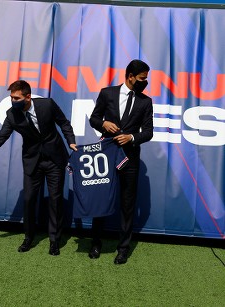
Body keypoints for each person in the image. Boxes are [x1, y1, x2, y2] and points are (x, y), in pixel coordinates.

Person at [0, 80, 77, 256]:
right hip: (32, 161)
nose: (12, 101)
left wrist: (71, 141)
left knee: (55, 200)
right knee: (29, 200)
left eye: (16, 98)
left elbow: (64, 123)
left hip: (55, 158)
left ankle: (54, 241)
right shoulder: (11, 115)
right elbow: (0, 137)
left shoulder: (47, 105)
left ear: (27, 97)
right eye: (11, 97)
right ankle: (28, 237)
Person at [88, 59, 154, 264]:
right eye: (143, 78)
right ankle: (96, 243)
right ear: (130, 76)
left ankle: (123, 249)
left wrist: (132, 137)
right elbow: (94, 119)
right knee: (102, 200)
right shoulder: (107, 93)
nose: (146, 82)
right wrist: (104, 123)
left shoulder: (146, 101)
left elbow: (149, 132)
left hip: (130, 160)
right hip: (106, 157)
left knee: (127, 205)